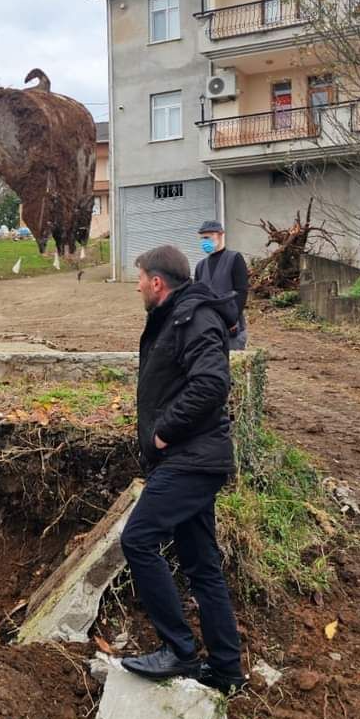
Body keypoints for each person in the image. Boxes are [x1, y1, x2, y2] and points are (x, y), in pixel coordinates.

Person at [119, 244, 245, 694]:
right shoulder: (178, 316)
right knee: (201, 565)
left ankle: (179, 651)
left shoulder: (193, 317)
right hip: (190, 457)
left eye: (139, 279)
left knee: (136, 540)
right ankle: (227, 670)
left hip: (191, 457)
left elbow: (212, 383)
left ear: (157, 282)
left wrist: (163, 432)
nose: (136, 287)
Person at [194, 220, 249, 351]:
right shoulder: (200, 266)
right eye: (202, 239)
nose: (204, 242)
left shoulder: (234, 258)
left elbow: (241, 291)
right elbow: (196, 296)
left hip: (231, 328)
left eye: (207, 237)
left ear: (220, 234)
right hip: (207, 327)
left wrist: (232, 319)